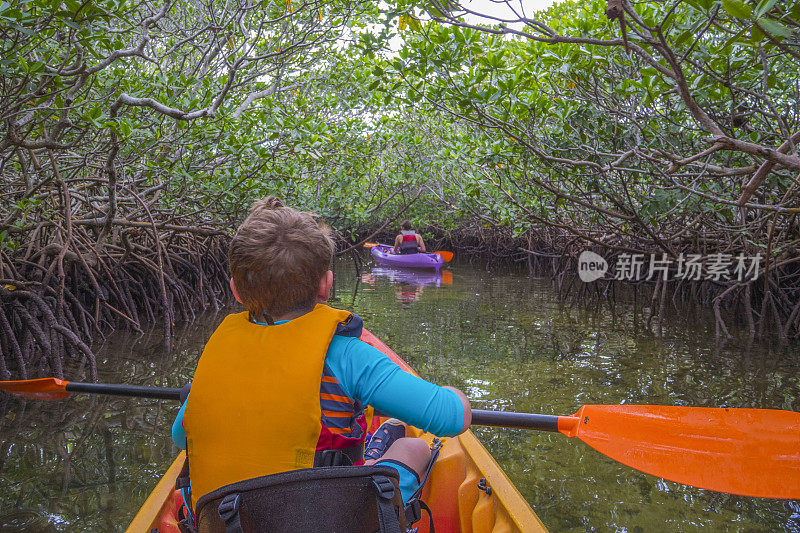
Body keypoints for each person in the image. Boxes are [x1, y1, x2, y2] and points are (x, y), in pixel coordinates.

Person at [171, 197, 470, 526]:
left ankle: (376, 447)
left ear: (236, 291)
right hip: (333, 519)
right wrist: (454, 395)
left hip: (230, 522)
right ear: (326, 285)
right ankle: (378, 450)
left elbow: (179, 436)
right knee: (414, 448)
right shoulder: (348, 356)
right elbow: (451, 418)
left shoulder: (217, 354)